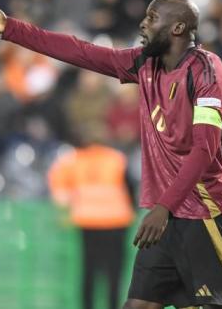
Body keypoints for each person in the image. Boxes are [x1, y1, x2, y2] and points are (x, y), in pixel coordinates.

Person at [0, 0, 222, 309]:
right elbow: (81, 52)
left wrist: (163, 207)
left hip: (207, 214)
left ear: (177, 28)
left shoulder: (207, 72)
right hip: (168, 220)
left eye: (152, 18)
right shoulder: (145, 64)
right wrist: (11, 28)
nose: (142, 23)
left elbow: (203, 150)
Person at [48, 130, 135, 309]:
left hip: (87, 221)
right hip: (116, 221)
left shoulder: (73, 160)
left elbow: (57, 186)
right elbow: (131, 187)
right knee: (114, 272)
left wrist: (65, 210)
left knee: (88, 270)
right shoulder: (116, 158)